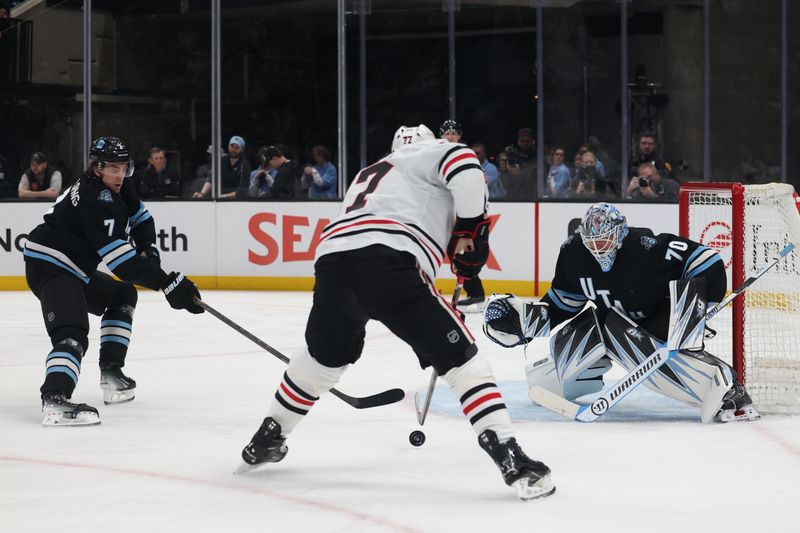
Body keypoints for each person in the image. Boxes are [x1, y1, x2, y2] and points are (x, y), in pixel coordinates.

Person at [240, 124, 555, 501]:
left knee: (322, 360)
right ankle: (509, 456)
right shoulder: (429, 153)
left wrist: (456, 239)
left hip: (332, 264)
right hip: (387, 261)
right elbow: (465, 162)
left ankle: (268, 435)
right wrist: (472, 228)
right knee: (462, 360)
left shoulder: (369, 173)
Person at [483, 203, 760, 423]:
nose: (597, 248)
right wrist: (524, 322)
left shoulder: (645, 247)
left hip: (662, 318)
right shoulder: (573, 254)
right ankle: (552, 376)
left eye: (603, 241)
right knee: (595, 327)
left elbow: (706, 260)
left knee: (616, 332)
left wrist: (696, 307)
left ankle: (727, 389)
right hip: (616, 323)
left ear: (618, 235)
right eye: (591, 241)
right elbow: (562, 304)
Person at [23, 136, 204, 427]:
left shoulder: (118, 184)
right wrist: (169, 282)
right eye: (113, 169)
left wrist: (149, 247)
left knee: (122, 295)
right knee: (72, 334)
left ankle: (111, 373)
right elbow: (122, 263)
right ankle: (54, 399)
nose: (120, 175)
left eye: (124, 168)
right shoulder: (97, 198)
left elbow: (141, 217)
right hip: (50, 264)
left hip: (76, 268)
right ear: (97, 168)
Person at [438, 120, 487, 312]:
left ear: (459, 136)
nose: (450, 136)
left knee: (465, 254)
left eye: (453, 133)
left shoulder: (465, 156)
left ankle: (476, 293)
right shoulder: (440, 155)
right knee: (456, 253)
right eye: (446, 133)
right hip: (451, 211)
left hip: (466, 213)